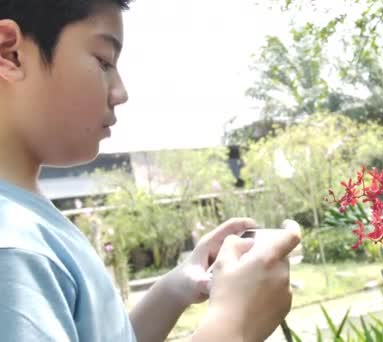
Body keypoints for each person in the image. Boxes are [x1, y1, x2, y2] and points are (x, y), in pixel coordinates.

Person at [0, 1, 301, 341]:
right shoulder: (13, 247)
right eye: (104, 61)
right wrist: (235, 326)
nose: (121, 92)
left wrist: (179, 286)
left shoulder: (25, 219)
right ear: (11, 53)